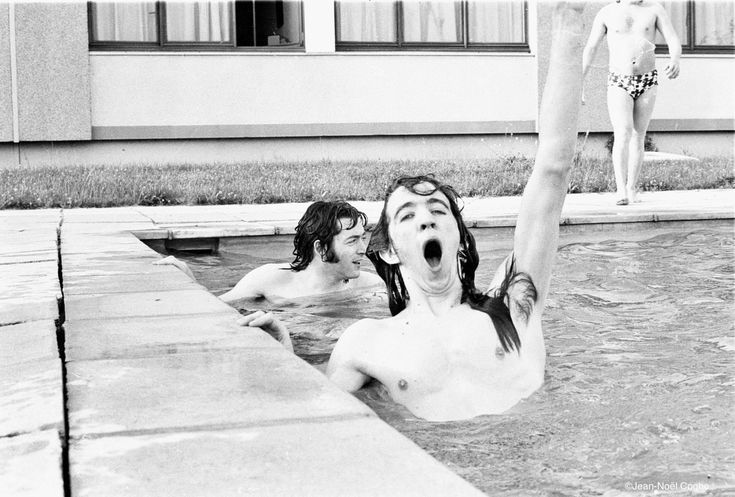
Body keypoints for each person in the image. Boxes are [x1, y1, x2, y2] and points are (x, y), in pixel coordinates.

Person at [323, 2, 586, 421]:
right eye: (407, 215)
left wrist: (569, 21)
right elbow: (316, 422)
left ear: (460, 239)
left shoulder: (513, 305)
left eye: (438, 211)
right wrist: (278, 353)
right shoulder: (366, 342)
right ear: (389, 250)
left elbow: (554, 167)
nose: (426, 217)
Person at [159, 200, 383, 351]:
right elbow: (213, 312)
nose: (363, 248)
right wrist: (192, 284)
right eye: (352, 241)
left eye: (363, 238)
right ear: (321, 248)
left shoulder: (372, 287)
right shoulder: (269, 280)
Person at [582, 0, 681, 205]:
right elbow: (590, 47)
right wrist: (580, 81)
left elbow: (672, 38)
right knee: (623, 132)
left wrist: (675, 59)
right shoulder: (607, 12)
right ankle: (620, 190)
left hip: (647, 80)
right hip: (619, 80)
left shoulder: (654, 10)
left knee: (639, 134)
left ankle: (632, 188)